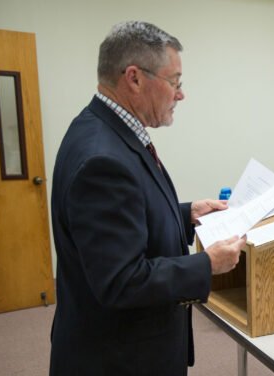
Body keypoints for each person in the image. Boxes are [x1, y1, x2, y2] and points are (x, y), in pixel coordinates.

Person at [49, 21, 245, 375]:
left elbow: (124, 219)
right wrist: (207, 264)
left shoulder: (102, 129)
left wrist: (185, 214)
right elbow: (122, 280)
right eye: (175, 82)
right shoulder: (102, 159)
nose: (181, 94)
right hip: (120, 359)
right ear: (135, 78)